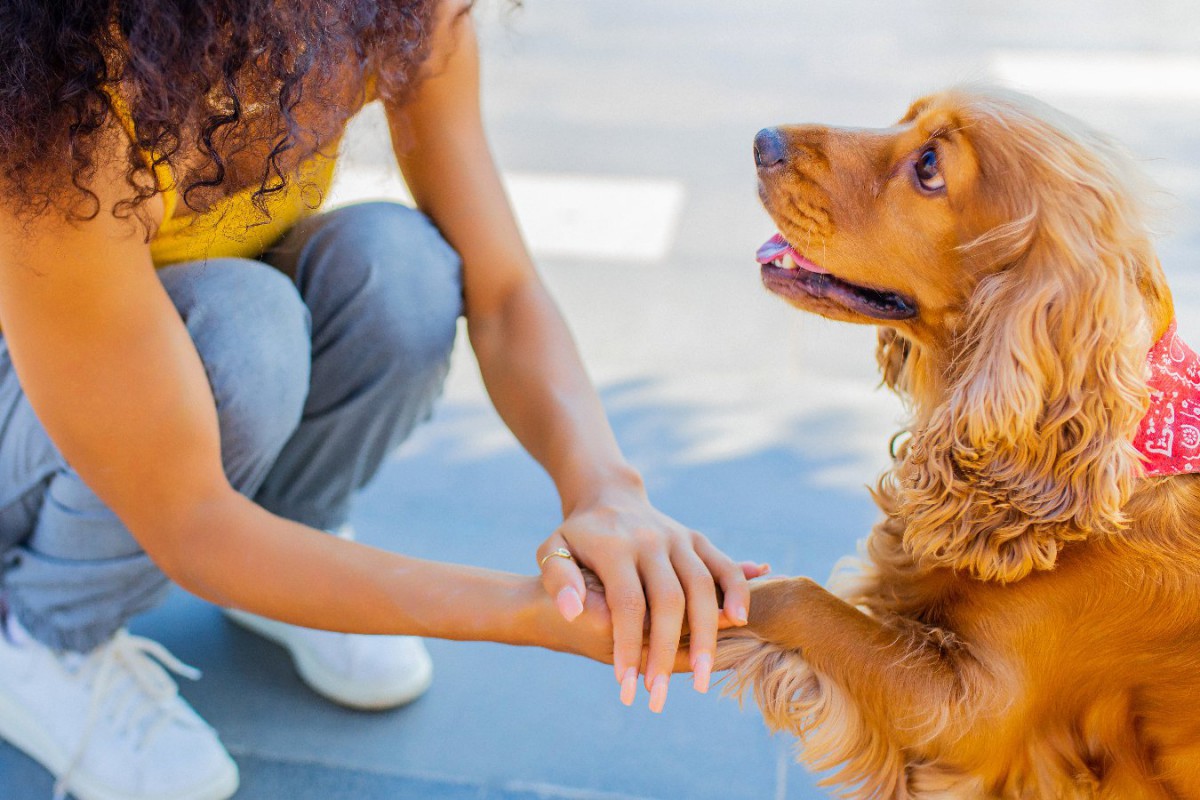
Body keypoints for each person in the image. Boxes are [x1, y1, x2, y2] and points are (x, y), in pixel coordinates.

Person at [0, 2, 765, 798]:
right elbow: (189, 520)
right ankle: (44, 636)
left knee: (399, 270)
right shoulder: (66, 89)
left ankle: (296, 557)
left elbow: (501, 293)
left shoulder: (385, 13)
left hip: (189, 365)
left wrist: (607, 491)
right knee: (243, 333)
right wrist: (525, 613)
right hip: (32, 408)